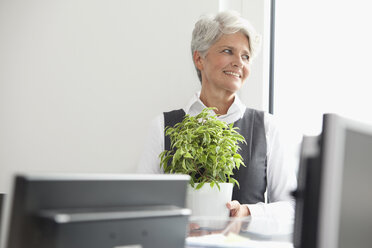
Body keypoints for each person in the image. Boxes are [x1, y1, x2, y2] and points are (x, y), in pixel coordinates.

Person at [137, 10, 297, 225]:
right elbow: (142, 206)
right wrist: (175, 222)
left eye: (246, 56)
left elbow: (291, 209)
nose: (239, 62)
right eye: (228, 51)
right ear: (199, 59)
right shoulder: (163, 126)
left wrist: (248, 213)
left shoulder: (267, 127)